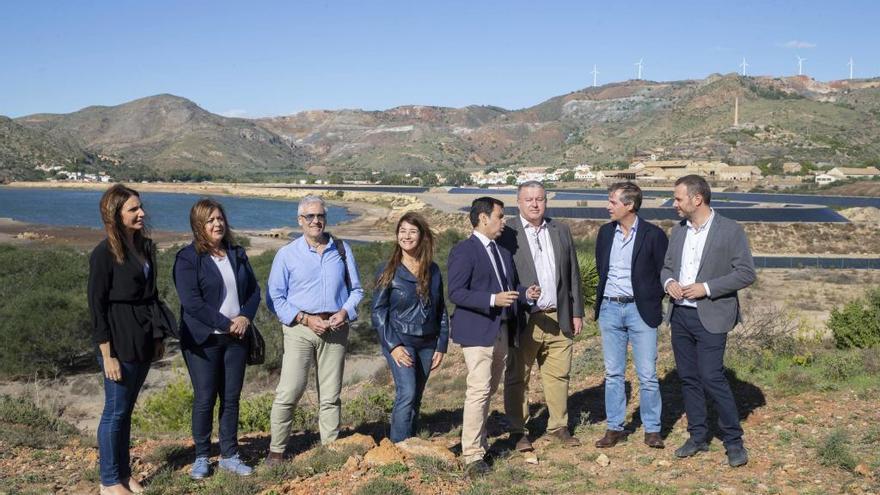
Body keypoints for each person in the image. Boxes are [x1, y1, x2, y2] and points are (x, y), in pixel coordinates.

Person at [661, 174, 756, 467]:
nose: (674, 204)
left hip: (711, 316)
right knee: (688, 378)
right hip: (681, 315)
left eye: (678, 198)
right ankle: (698, 436)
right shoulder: (678, 231)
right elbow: (665, 268)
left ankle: (733, 441)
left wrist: (707, 288)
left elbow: (746, 273)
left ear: (696, 199)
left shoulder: (729, 230)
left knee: (711, 377)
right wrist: (670, 284)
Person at [265, 195, 364, 465]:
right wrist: (305, 319)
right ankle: (276, 451)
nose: (316, 221)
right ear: (300, 221)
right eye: (309, 217)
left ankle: (329, 450)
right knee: (290, 391)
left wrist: (344, 312)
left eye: (320, 216)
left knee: (330, 395)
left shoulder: (341, 250)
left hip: (335, 329)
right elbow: (274, 297)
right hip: (300, 330)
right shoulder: (286, 254)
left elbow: (356, 290)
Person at [447, 196, 540, 477]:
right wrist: (492, 299)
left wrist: (525, 293)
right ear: (483, 218)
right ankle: (472, 455)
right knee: (478, 391)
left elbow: (509, 287)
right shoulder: (464, 250)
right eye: (500, 216)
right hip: (478, 330)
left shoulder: (501, 252)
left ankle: (480, 443)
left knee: (487, 390)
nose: (504, 222)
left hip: (502, 329)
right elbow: (456, 292)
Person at [88, 184, 169, 495]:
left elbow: (152, 295)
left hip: (143, 337)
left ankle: (124, 474)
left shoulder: (145, 247)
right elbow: (97, 308)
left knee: (126, 410)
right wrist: (107, 355)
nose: (141, 213)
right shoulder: (103, 254)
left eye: (140, 207)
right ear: (115, 215)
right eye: (133, 209)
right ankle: (109, 481)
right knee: (115, 411)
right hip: (118, 341)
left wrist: (158, 335)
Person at [173, 198, 261, 479]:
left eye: (220, 218)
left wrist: (245, 318)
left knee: (231, 399)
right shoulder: (188, 258)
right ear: (199, 225)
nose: (217, 223)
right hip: (204, 340)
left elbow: (254, 291)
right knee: (205, 398)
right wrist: (227, 323)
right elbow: (192, 303)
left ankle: (230, 455)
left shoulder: (236, 252)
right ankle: (201, 457)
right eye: (210, 220)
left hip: (237, 338)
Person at [498, 181, 584, 452]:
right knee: (517, 376)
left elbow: (573, 274)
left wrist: (577, 311)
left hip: (558, 316)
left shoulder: (560, 230)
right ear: (518, 202)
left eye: (540, 199)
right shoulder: (507, 232)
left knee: (559, 374)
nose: (535, 204)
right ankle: (517, 429)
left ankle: (558, 426)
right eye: (529, 199)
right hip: (524, 318)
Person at [594, 182, 668, 449]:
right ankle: (615, 428)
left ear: (629, 205)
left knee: (647, 374)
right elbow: (603, 269)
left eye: (612, 202)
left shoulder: (653, 235)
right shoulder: (604, 233)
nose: (608, 206)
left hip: (641, 311)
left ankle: (652, 430)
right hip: (610, 309)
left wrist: (650, 301)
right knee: (613, 373)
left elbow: (664, 274)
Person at [371, 212, 449, 443]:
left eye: (412, 231)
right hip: (400, 341)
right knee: (407, 392)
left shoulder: (433, 270)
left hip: (428, 342)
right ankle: (399, 448)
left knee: (417, 396)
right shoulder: (388, 270)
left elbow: (441, 309)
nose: (407, 236)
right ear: (397, 236)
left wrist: (442, 344)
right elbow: (378, 311)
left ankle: (412, 443)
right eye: (402, 231)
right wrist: (393, 346)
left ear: (422, 236)